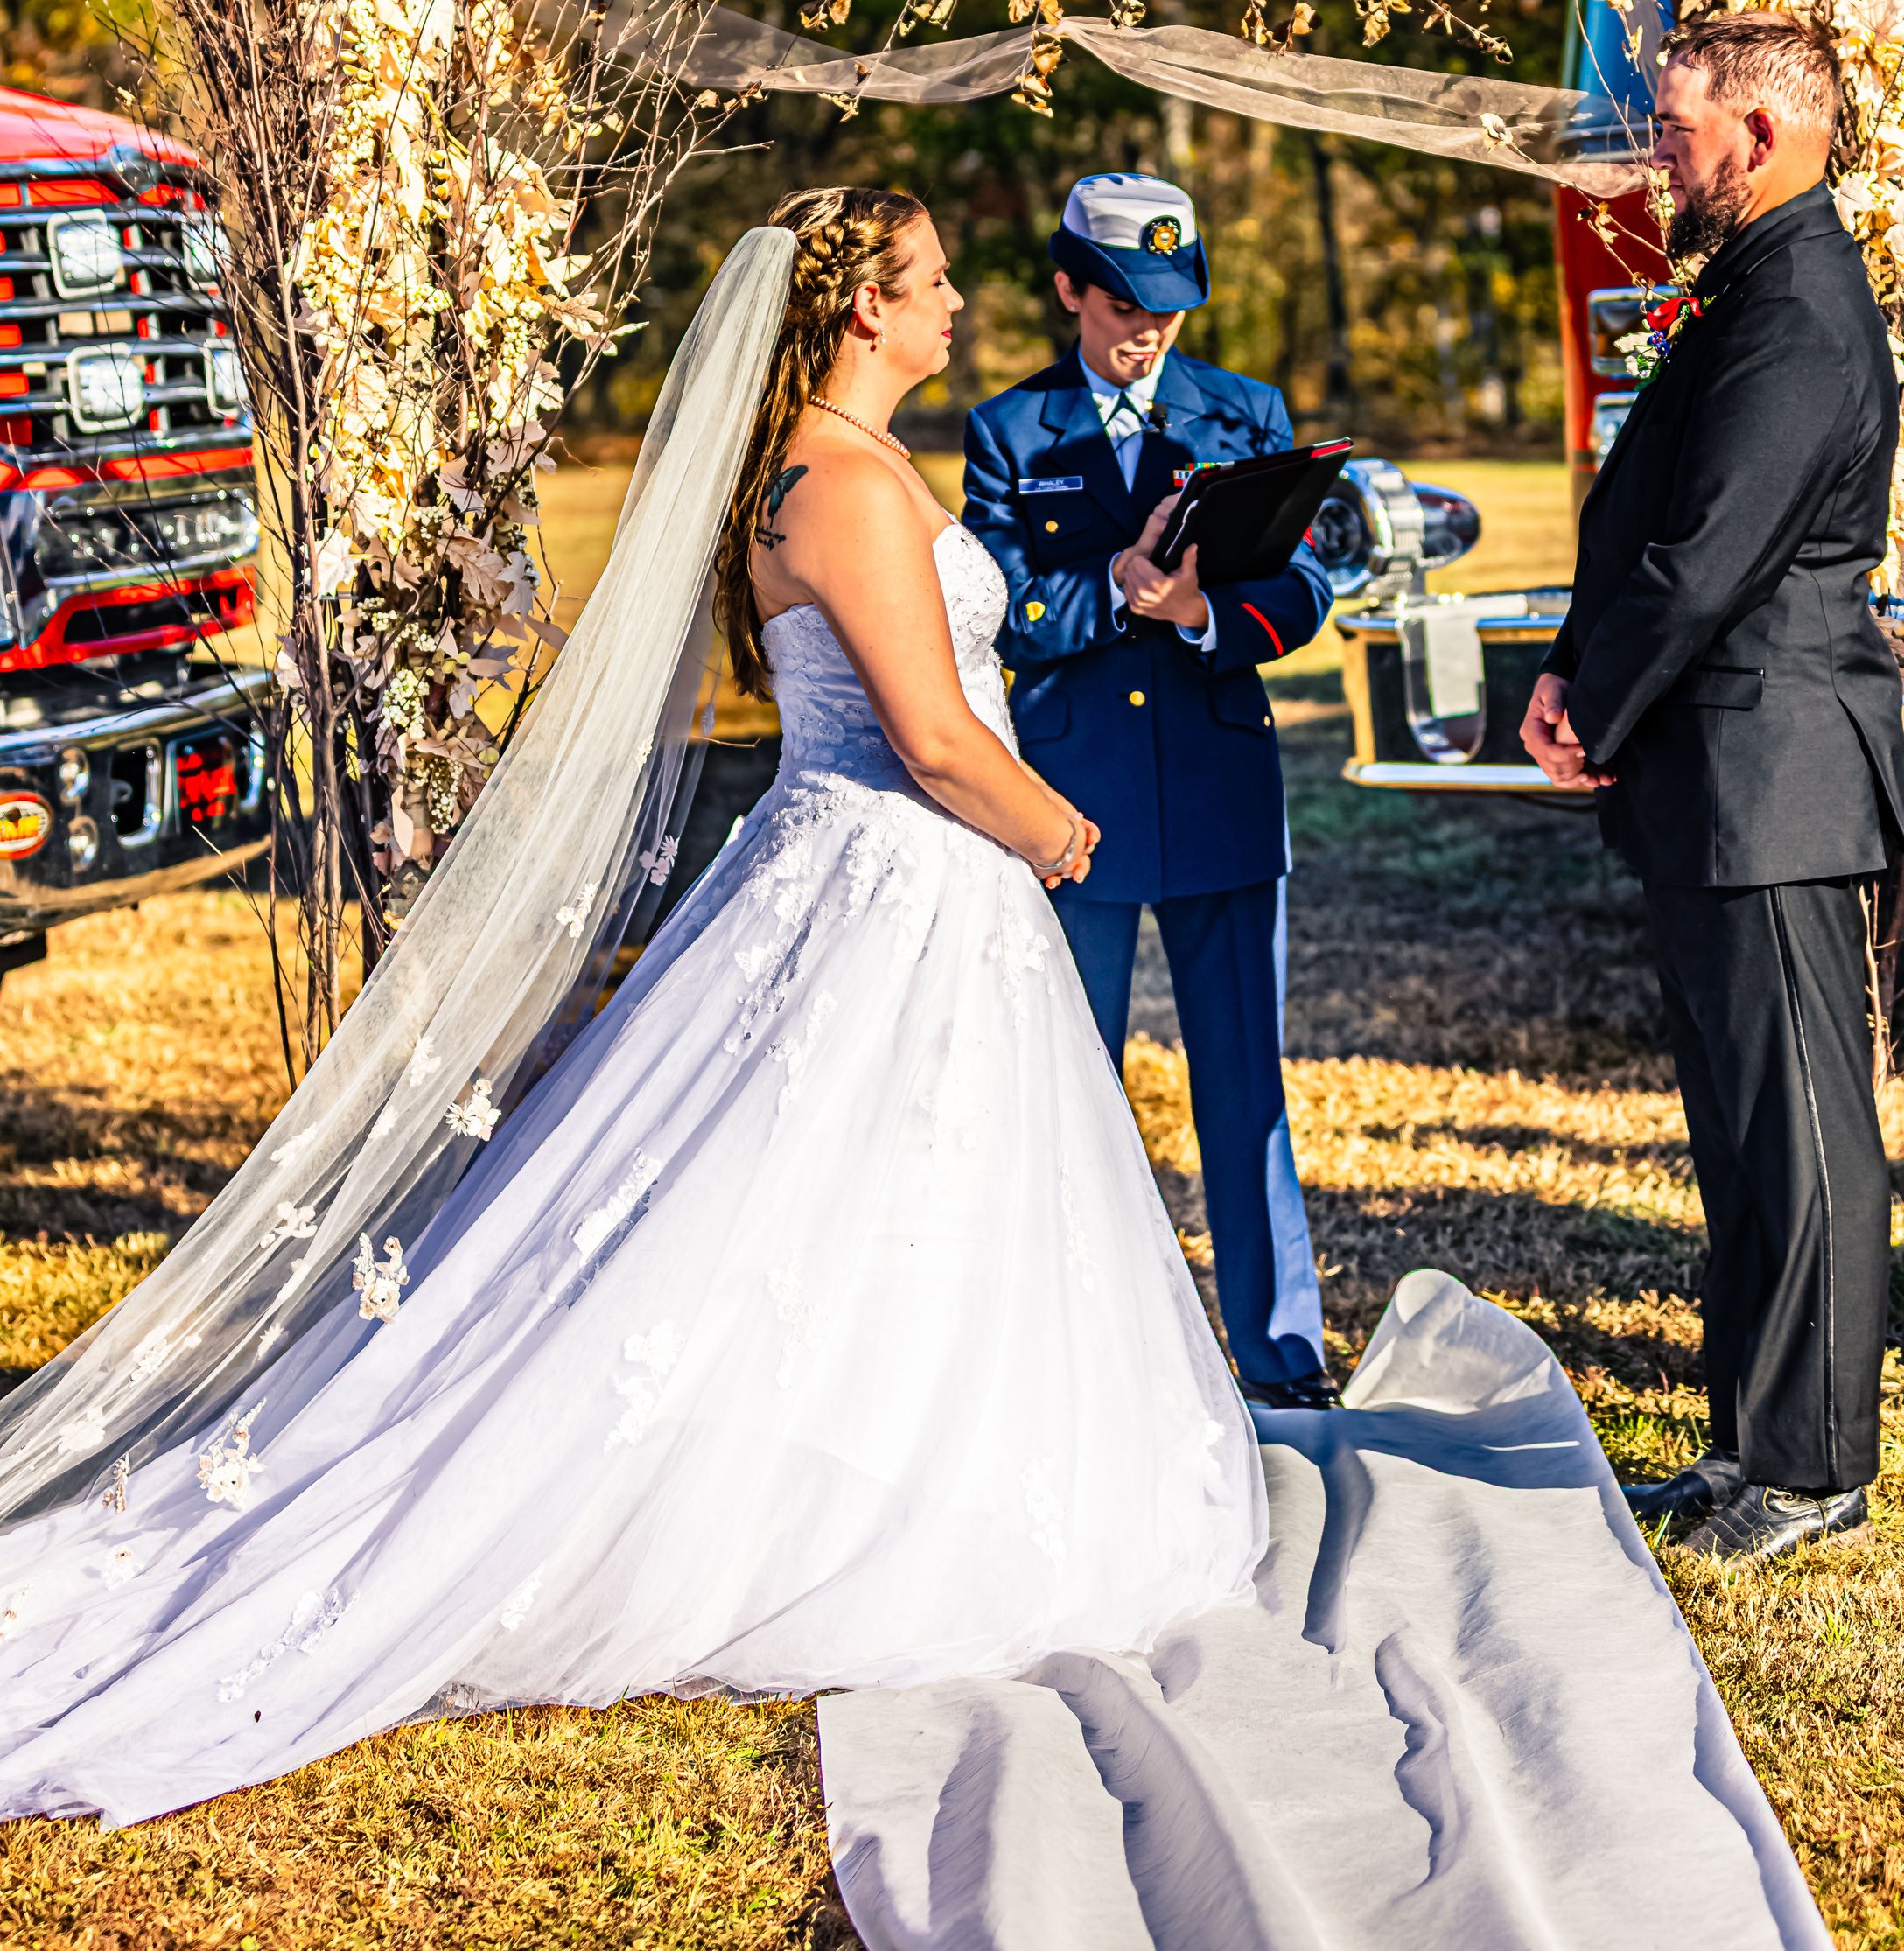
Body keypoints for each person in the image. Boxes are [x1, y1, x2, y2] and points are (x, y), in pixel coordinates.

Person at [0, 190, 1264, 1829]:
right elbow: (936, 739)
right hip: (899, 872)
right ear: (862, 311)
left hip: (873, 875)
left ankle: (877, 1445)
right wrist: (1059, 831)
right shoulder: (848, 486)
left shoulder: (833, 470)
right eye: (934, 282)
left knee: (867, 1210)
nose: (959, 304)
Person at [1522, 17, 1901, 1564]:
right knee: (1742, 1132)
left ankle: (1815, 1467)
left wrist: (1591, 703)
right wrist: (1563, 669)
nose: (1655, 155)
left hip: (1777, 770)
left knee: (1804, 1131)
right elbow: (1641, 520)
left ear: (1758, 133)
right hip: (1718, 775)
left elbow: (1710, 558)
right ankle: (1749, 1436)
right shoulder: (1751, 285)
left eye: (1675, 129)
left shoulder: (1802, 309)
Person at [961, 172, 1338, 1413]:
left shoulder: (1245, 412)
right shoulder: (1009, 431)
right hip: (1079, 802)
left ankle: (1283, 1355)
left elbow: (1307, 587)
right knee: (1073, 1081)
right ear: (1067, 285)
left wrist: (1209, 612)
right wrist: (1116, 588)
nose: (1149, 331)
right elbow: (1000, 611)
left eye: (1171, 306)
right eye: (1125, 302)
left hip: (1223, 788)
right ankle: (1078, 1357)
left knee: (1247, 1086)